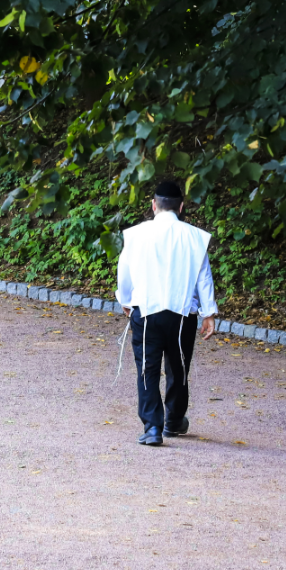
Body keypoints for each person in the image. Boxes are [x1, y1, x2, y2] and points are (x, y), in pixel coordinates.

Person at [115, 180, 218, 446]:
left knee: (147, 369)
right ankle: (173, 419)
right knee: (179, 367)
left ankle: (152, 427)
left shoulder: (135, 234)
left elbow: (123, 270)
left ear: (153, 205)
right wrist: (209, 313)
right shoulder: (195, 237)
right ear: (181, 207)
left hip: (146, 311)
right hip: (182, 313)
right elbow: (203, 277)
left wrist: (125, 300)